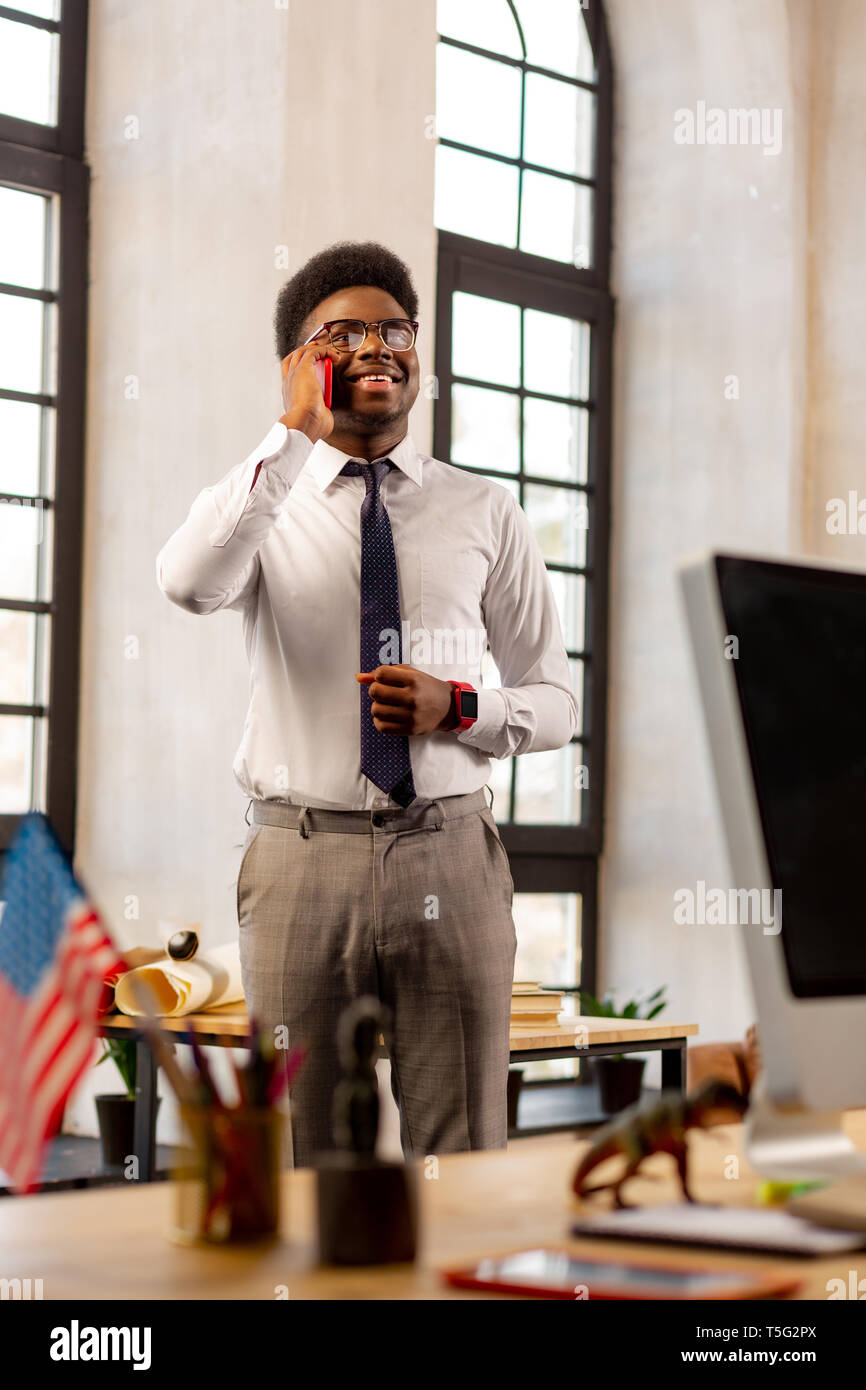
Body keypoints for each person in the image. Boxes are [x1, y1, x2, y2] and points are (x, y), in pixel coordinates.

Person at [156, 240, 577, 1166]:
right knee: (306, 1161)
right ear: (302, 363)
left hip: (452, 857)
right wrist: (293, 431)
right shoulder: (260, 504)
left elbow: (556, 703)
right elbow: (188, 584)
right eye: (343, 333)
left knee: (461, 1152)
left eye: (395, 328)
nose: (378, 346)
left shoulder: (484, 511)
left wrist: (460, 708)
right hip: (302, 864)